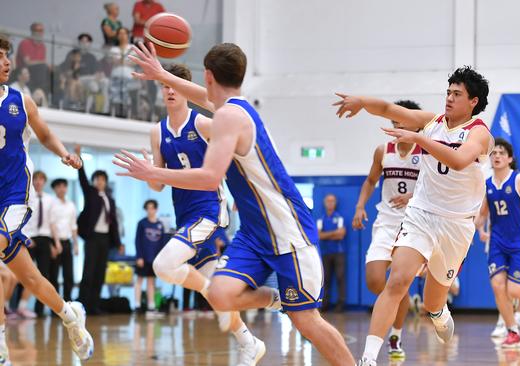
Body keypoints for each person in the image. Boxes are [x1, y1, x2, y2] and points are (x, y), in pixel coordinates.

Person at [115, 42, 356, 366]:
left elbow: (210, 178)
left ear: (209, 76)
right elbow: (202, 96)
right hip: (256, 232)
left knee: (307, 321)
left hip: (286, 228)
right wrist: (162, 75)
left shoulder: (229, 116)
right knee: (219, 293)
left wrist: (152, 172)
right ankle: (277, 300)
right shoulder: (232, 108)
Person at [333, 66, 493, 366]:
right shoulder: (432, 121)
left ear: (473, 101)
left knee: (433, 301)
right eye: (448, 92)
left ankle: (437, 310)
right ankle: (368, 359)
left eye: (457, 94)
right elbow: (388, 109)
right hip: (421, 214)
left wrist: (420, 140)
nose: (449, 98)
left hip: (456, 225)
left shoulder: (479, 133)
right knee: (397, 282)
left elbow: (458, 160)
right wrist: (362, 102)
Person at [130, 63, 265, 364]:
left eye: (175, 86)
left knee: (163, 266)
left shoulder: (204, 124)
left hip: (210, 210)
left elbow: (230, 160)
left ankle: (216, 290)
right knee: (215, 294)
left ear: (187, 91)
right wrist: (147, 173)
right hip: (185, 214)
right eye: (165, 86)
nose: (169, 91)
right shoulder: (158, 131)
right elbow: (156, 185)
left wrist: (243, 195)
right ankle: (249, 343)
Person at [0, 34, 93, 363]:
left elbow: (44, 133)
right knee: (29, 277)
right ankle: (70, 316)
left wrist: (65, 154)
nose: (7, 62)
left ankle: (1, 354)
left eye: (7, 55)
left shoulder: (21, 102)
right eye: (0, 56)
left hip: (15, 196)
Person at [352, 98, 422, 360]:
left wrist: (413, 197)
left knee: (398, 284)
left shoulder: (425, 151)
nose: (396, 125)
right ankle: (402, 303)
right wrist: (360, 206)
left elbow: (434, 189)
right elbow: (371, 181)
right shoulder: (383, 150)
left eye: (401, 120)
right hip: (386, 220)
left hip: (414, 223)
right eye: (394, 121)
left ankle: (395, 335)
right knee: (375, 281)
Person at [474, 138, 520, 347]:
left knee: (514, 292)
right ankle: (512, 330)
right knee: (497, 287)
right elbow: (482, 214)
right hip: (497, 243)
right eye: (493, 153)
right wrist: (477, 228)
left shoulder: (519, 180)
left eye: (500, 153)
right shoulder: (487, 184)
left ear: (509, 159)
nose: (496, 156)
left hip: (518, 243)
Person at [75, 149, 121, 315]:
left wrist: (118, 242)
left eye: (103, 180)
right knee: (88, 272)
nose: (100, 182)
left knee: (100, 273)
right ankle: (81, 305)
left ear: (106, 182)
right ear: (94, 181)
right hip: (92, 238)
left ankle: (94, 306)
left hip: (105, 239)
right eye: (98, 179)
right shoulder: (91, 194)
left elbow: (113, 222)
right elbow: (82, 180)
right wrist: (79, 160)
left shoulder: (110, 199)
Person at [22, 170, 56, 317]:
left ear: (44, 182)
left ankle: (39, 309)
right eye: (35, 179)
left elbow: (52, 222)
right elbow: (21, 219)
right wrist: (25, 238)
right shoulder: (26, 197)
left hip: (45, 238)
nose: (38, 181)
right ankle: (18, 308)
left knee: (43, 274)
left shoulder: (50, 199)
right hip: (30, 238)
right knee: (25, 274)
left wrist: (55, 243)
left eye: (41, 179)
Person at [49, 178, 79, 302]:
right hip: (54, 242)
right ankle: (55, 303)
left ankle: (68, 302)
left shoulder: (71, 205)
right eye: (59, 186)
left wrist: (76, 244)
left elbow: (73, 225)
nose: (62, 189)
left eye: (64, 186)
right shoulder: (51, 204)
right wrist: (56, 243)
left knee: (69, 276)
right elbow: (51, 224)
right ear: (55, 189)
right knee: (54, 275)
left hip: (67, 242)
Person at [134, 199, 165, 318]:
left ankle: (151, 306)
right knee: (139, 281)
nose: (150, 210)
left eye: (152, 208)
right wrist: (139, 256)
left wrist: (161, 259)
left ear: (156, 209)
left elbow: (162, 243)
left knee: (151, 282)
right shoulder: (142, 223)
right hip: (143, 257)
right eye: (148, 208)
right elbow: (137, 241)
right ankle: (137, 305)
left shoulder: (160, 225)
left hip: (155, 259)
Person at [317, 194, 347, 312]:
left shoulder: (339, 218)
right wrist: (334, 233)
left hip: (339, 253)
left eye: (332, 201)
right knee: (325, 279)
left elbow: (341, 234)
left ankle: (340, 304)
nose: (330, 203)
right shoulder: (321, 219)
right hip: (325, 253)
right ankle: (324, 305)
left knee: (340, 277)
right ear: (325, 203)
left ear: (335, 203)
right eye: (328, 201)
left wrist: (326, 235)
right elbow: (318, 236)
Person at [15, 22, 50, 95]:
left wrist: (44, 64)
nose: (40, 33)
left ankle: (44, 95)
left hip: (37, 73)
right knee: (43, 67)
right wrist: (43, 62)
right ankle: (39, 93)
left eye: (41, 31)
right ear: (32, 32)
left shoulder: (42, 46)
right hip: (24, 70)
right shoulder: (25, 43)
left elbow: (42, 63)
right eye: (37, 30)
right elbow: (28, 62)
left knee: (50, 71)